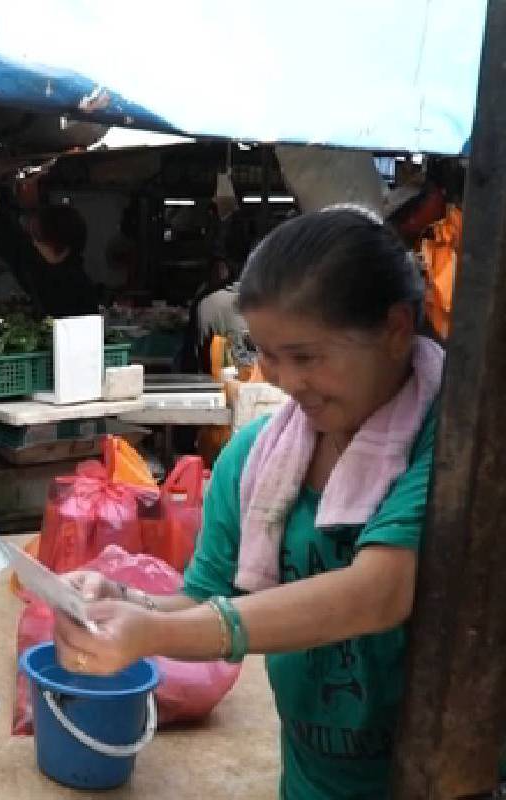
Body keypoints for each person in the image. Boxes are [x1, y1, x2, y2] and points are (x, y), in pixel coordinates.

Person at [54, 207, 444, 799]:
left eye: (307, 357)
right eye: (268, 354)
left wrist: (150, 637)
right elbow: (205, 598)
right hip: (314, 779)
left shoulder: (450, 445)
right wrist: (126, 602)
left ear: (395, 330)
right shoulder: (256, 461)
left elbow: (379, 592)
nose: (285, 381)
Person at [0, 192, 100, 318]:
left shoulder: (59, 280)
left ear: (57, 243)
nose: (34, 244)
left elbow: (16, 248)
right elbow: (16, 246)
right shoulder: (63, 272)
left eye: (39, 238)